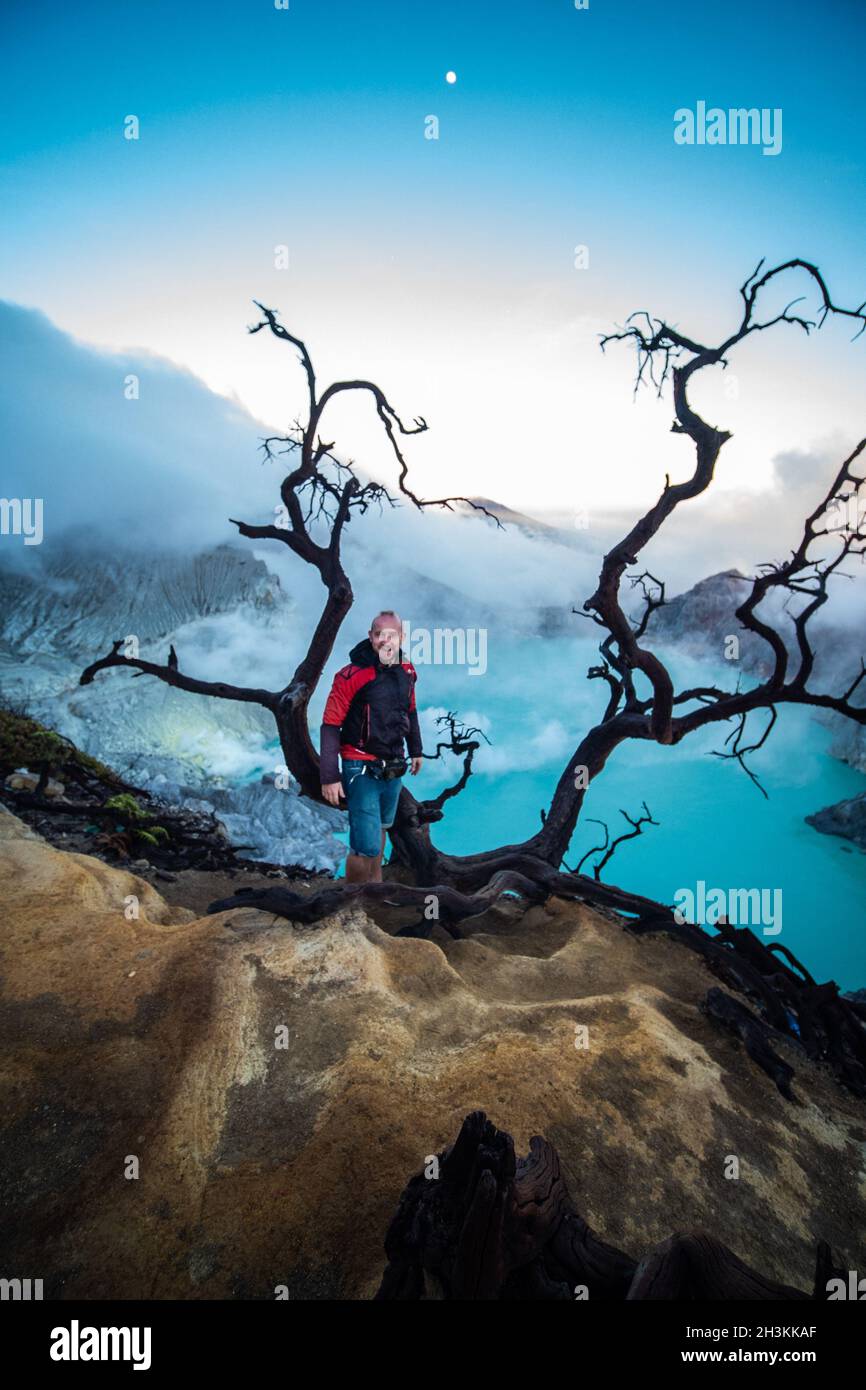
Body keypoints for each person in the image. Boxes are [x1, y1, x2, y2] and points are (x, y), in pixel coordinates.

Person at [320, 610, 423, 883]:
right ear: (370, 636)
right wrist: (329, 776)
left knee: (381, 830)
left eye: (391, 634)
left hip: (393, 765)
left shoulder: (407, 670)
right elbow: (331, 725)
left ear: (401, 637)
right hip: (359, 766)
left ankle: (374, 893)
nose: (384, 640)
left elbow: (409, 711)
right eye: (379, 634)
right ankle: (351, 906)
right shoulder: (350, 675)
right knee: (364, 846)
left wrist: (416, 750)